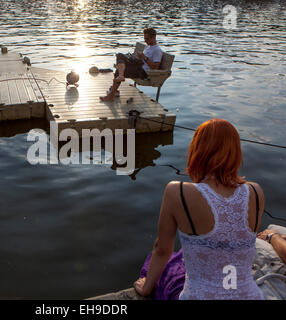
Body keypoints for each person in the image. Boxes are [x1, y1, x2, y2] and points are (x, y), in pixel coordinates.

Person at [134, 118, 265, 299]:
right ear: (236, 152)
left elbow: (162, 250)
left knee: (166, 263)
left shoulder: (177, 191)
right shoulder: (256, 191)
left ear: (197, 150)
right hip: (249, 294)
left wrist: (147, 288)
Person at [100, 27, 163, 102]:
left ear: (154, 37)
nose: (145, 41)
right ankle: (120, 77)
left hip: (143, 72)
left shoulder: (157, 50)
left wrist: (144, 57)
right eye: (145, 39)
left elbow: (155, 66)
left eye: (147, 39)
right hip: (139, 65)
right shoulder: (148, 47)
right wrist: (139, 58)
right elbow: (143, 59)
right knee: (120, 55)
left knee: (118, 70)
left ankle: (111, 95)